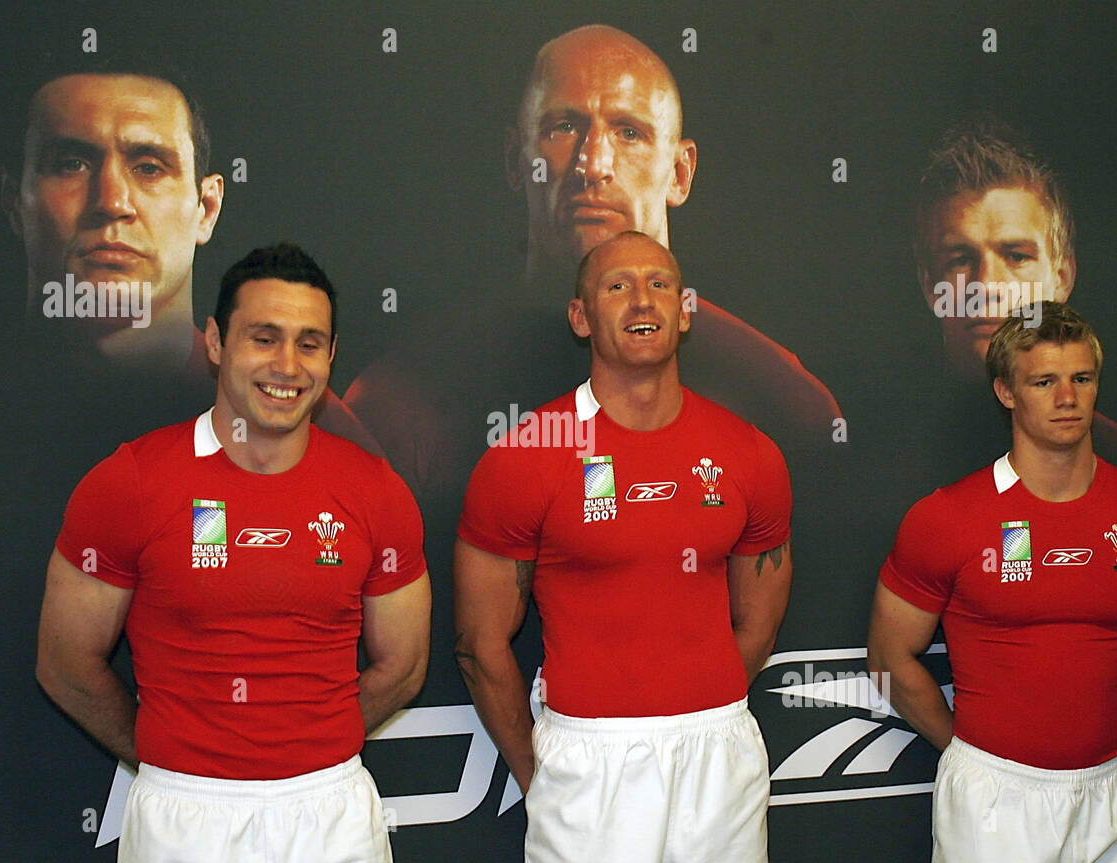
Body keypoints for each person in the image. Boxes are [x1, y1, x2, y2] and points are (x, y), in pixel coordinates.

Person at [36, 243, 431, 863]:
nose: (287, 364)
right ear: (216, 342)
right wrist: (177, 756)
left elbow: (404, 665)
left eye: (308, 342)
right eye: (264, 337)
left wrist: (308, 746)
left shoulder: (375, 489)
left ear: (330, 355)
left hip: (329, 812)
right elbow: (64, 664)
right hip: (183, 816)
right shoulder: (131, 482)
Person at [343, 24, 840, 504]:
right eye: (563, 127)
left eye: (629, 132)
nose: (594, 164)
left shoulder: (781, 407)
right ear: (516, 160)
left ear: (680, 172)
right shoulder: (399, 404)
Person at [454, 231, 793, 863]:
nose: (643, 302)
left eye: (660, 284)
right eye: (618, 287)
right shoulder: (526, 457)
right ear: (581, 318)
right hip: (586, 758)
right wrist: (546, 774)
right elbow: (480, 644)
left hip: (718, 749)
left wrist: (694, 703)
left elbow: (758, 619)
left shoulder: (748, 453)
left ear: (685, 309)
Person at [867, 303, 1117, 863]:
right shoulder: (948, 518)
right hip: (995, 796)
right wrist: (972, 752)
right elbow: (890, 657)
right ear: (1006, 392)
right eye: (1044, 380)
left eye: (1081, 378)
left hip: (1115, 793)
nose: (1067, 398)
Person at [1, 62, 376, 447]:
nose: (112, 201)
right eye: (72, 165)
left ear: (207, 208)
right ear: (15, 202)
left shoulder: (319, 433)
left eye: (149, 168)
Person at [909, 117, 1117, 512]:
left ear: (1062, 277)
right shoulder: (864, 470)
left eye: (1016, 255)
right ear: (928, 285)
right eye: (961, 258)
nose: (987, 284)